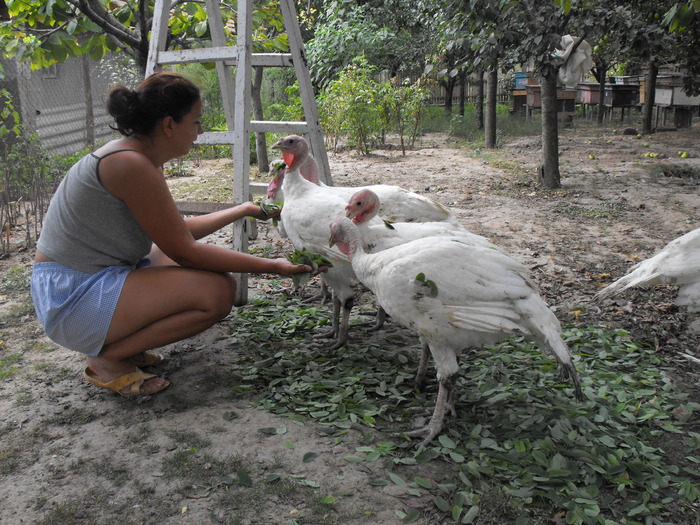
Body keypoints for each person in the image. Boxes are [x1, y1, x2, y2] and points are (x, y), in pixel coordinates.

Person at [31, 72, 312, 397]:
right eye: (195, 121)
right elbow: (185, 251)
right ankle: (108, 358)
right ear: (168, 125)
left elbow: (174, 233)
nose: (201, 130)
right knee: (217, 292)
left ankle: (123, 346)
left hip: (89, 280)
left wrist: (243, 209)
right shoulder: (130, 164)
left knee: (195, 271)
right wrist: (275, 266)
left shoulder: (137, 157)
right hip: (72, 299)